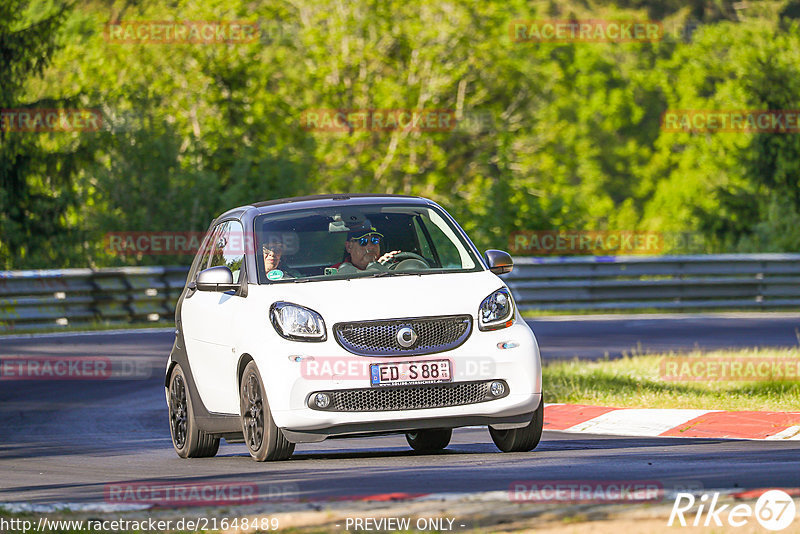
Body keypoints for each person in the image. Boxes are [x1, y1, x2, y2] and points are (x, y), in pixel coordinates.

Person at [332, 225, 401, 273]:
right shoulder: (336, 271)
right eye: (363, 241)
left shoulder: (392, 266)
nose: (370, 247)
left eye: (375, 240)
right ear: (349, 247)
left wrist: (384, 267)